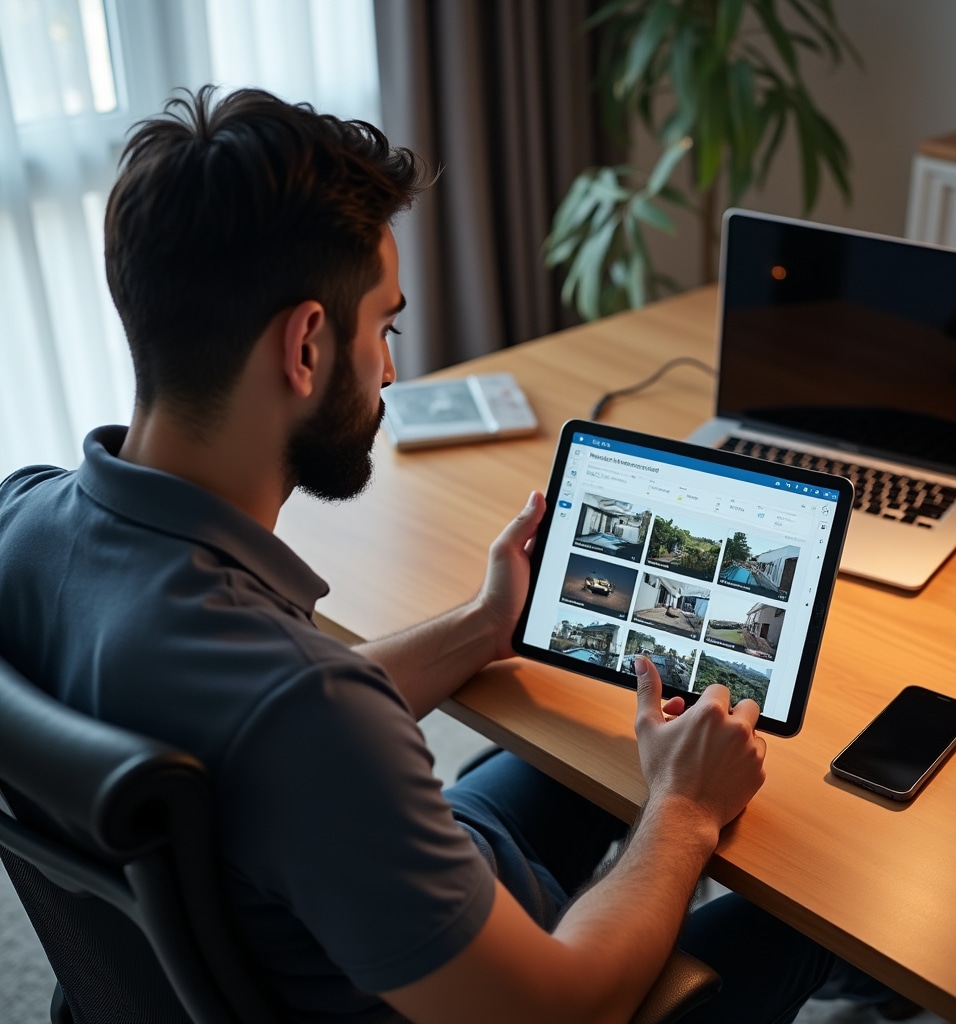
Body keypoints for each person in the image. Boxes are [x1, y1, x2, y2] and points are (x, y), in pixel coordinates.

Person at [0, 86, 836, 1023]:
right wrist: (682, 813)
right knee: (819, 893)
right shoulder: (308, 715)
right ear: (305, 346)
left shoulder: (20, 522)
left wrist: (486, 624)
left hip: (339, 906)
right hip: (507, 990)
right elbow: (561, 1013)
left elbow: (258, 735)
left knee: (595, 757)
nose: (391, 369)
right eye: (384, 329)